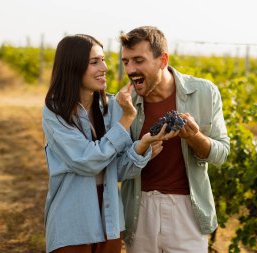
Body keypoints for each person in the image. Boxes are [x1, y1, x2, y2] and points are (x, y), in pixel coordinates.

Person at [42, 34, 175, 253]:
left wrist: (141, 147)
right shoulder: (55, 111)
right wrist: (126, 120)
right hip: (72, 220)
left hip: (110, 218)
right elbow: (86, 161)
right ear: (73, 67)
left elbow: (118, 170)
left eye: (103, 60)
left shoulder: (112, 106)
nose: (104, 67)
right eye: (94, 62)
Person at [119, 26, 230, 253]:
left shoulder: (204, 93)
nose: (131, 69)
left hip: (187, 211)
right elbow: (118, 168)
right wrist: (142, 150)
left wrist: (195, 137)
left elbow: (221, 154)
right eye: (126, 62)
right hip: (140, 210)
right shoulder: (123, 104)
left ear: (163, 60)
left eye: (138, 60)